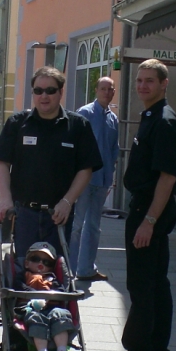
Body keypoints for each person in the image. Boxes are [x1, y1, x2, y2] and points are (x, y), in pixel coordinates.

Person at [101, 60, 176, 351]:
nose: (142, 86)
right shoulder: (152, 116)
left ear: (164, 84)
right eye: (139, 80)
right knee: (157, 284)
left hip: (149, 210)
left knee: (141, 285)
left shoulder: (164, 120)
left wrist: (149, 220)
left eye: (150, 81)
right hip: (148, 208)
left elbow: (167, 177)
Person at [0, 65, 103, 261]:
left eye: (50, 90)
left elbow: (86, 169)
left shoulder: (78, 125)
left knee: (58, 272)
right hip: (24, 215)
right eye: (38, 90)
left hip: (59, 215)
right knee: (24, 271)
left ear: (61, 92)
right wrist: (5, 198)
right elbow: (2, 163)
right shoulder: (17, 123)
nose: (44, 96)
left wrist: (67, 202)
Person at [69, 76, 119, 281]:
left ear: (114, 92)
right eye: (103, 88)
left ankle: (86, 269)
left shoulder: (113, 118)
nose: (107, 92)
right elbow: (74, 145)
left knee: (94, 227)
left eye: (110, 89)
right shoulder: (85, 113)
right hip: (84, 179)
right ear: (96, 90)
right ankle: (69, 270)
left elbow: (113, 150)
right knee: (76, 225)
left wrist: (110, 176)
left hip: (102, 180)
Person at [18, 241, 75, 351]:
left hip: (53, 308)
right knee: (36, 318)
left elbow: (61, 290)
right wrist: (35, 295)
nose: (41, 263)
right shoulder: (24, 276)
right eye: (36, 259)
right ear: (27, 263)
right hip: (32, 309)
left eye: (47, 262)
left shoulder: (52, 278)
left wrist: (49, 295)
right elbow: (18, 286)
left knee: (61, 315)